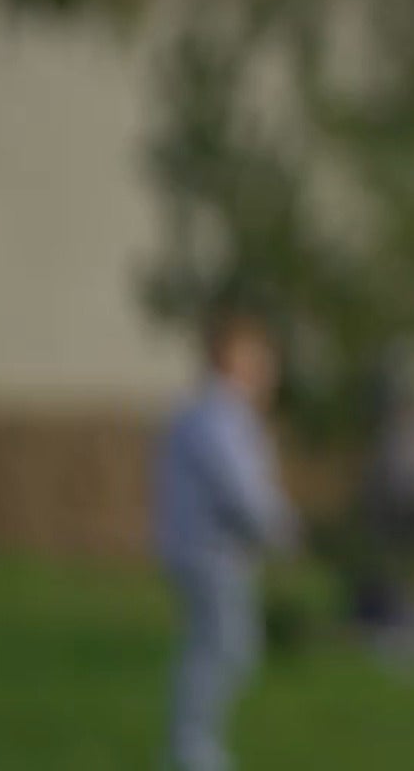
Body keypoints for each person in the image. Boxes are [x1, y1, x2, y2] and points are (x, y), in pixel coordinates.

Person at [154, 308, 298, 771]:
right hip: (210, 552)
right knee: (219, 650)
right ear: (232, 358)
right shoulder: (218, 415)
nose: (267, 369)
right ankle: (193, 749)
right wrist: (281, 529)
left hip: (211, 551)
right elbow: (241, 489)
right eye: (258, 357)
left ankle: (196, 745)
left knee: (226, 649)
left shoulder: (216, 414)